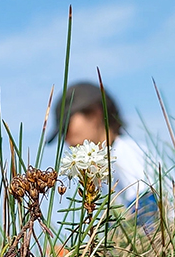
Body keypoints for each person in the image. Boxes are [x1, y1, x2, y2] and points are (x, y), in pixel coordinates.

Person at [48, 82, 159, 230]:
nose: (66, 138)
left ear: (95, 113)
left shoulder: (125, 155)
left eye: (66, 126)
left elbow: (150, 220)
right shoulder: (110, 164)